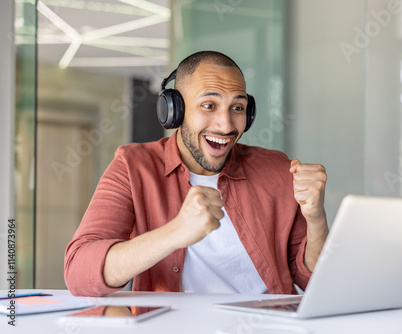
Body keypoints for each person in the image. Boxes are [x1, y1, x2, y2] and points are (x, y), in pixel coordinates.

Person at [64, 51, 329, 297]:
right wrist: (175, 232)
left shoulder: (277, 168)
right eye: (209, 105)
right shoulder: (133, 166)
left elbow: (314, 281)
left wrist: (316, 218)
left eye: (237, 108)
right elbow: (79, 272)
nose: (225, 125)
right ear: (174, 111)